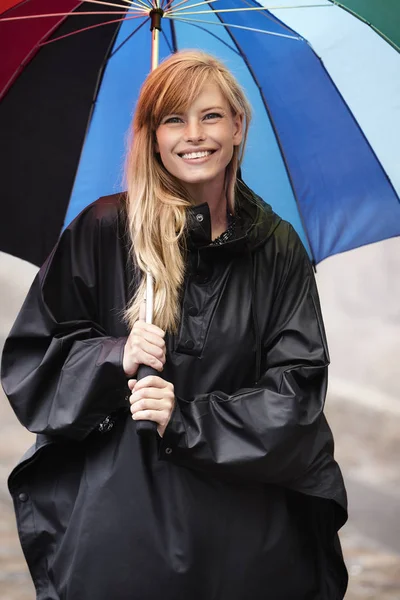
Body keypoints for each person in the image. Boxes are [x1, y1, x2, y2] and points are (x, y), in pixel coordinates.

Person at [1, 50, 348, 600]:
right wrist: (113, 356)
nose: (194, 135)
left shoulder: (278, 248)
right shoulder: (103, 230)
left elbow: (298, 391)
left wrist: (184, 419)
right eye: (173, 118)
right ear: (153, 135)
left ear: (238, 127)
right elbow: (32, 364)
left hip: (247, 539)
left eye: (211, 116)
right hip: (122, 531)